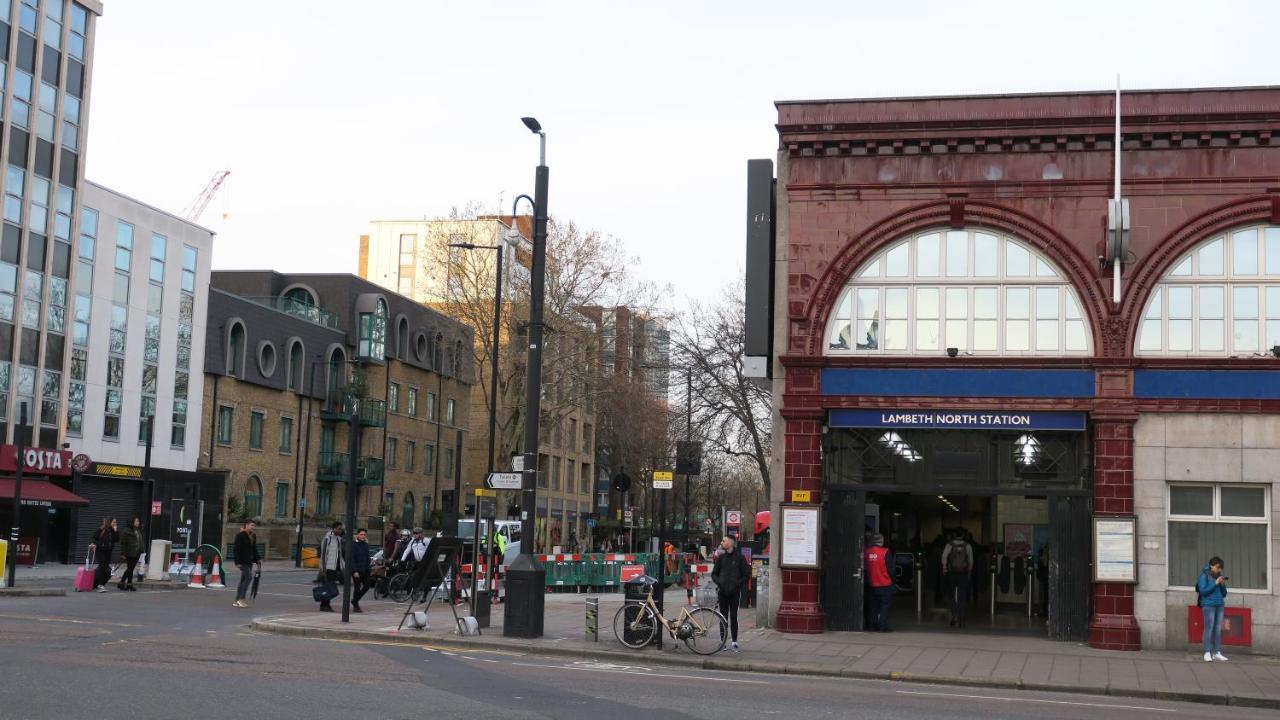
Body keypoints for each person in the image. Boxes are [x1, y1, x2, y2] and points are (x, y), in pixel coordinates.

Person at [711, 535, 749, 652]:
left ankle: (734, 641)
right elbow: (714, 574)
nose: (722, 543)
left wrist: (737, 585)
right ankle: (723, 641)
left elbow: (745, 575)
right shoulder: (721, 558)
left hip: (734, 593)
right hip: (722, 592)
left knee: (733, 617)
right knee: (723, 617)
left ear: (731, 543)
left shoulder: (740, 558)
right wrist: (720, 583)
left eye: (724, 541)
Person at [1197, 556, 1229, 662]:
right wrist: (1215, 583)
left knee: (1217, 629)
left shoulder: (1218, 576)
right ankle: (1207, 652)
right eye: (1217, 567)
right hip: (1208, 604)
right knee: (1209, 627)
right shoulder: (1204, 575)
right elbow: (1203, 591)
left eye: (1221, 568)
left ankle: (1216, 652)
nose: (1219, 569)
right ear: (1211, 566)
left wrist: (1222, 585)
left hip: (1219, 604)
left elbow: (1224, 594)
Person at [941, 530, 973, 628]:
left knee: (951, 596)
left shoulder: (949, 545)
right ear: (963, 536)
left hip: (952, 573)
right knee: (962, 597)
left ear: (954, 535)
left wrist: (945, 568)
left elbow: (944, 557)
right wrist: (969, 571)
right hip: (963, 573)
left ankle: (954, 615)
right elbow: (971, 560)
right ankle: (962, 619)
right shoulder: (967, 546)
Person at [864, 533, 894, 632]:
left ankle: (871, 626)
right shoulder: (885, 552)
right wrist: (894, 580)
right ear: (881, 541)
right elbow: (891, 569)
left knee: (872, 606)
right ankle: (882, 626)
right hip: (884, 583)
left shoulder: (867, 552)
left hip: (871, 584)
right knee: (884, 605)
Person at [232, 519, 260, 608]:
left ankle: (236, 601)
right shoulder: (240, 535)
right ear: (246, 525)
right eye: (251, 525)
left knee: (242, 580)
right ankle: (241, 599)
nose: (253, 527)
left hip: (249, 561)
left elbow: (254, 548)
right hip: (242, 561)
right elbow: (236, 549)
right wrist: (237, 562)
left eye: (254, 526)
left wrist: (257, 560)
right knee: (248, 577)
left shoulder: (253, 536)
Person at [318, 521, 345, 612]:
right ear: (334, 529)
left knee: (331, 587)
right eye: (339, 529)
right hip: (328, 568)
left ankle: (326, 604)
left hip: (334, 567)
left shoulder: (338, 539)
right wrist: (323, 568)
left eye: (341, 529)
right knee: (327, 587)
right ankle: (324, 605)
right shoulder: (327, 538)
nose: (341, 530)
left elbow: (340, 554)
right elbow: (323, 554)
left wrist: (342, 566)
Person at [88, 517, 118, 593]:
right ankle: (100, 585)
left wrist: (116, 531)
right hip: (100, 551)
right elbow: (94, 537)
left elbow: (117, 539)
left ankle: (95, 583)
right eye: (113, 522)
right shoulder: (102, 529)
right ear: (109, 522)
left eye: (115, 522)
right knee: (104, 567)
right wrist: (95, 544)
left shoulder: (113, 531)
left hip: (108, 552)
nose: (115, 523)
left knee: (105, 569)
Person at [117, 516, 143, 591]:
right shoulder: (126, 531)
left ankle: (123, 583)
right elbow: (123, 543)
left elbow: (139, 541)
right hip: (130, 553)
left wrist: (142, 550)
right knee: (130, 569)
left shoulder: (137, 530)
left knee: (130, 569)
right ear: (132, 522)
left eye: (138, 521)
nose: (138, 523)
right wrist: (123, 554)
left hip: (137, 552)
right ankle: (127, 584)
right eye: (136, 521)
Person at [351, 528, 371, 613]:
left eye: (364, 535)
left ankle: (355, 600)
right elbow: (352, 559)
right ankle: (356, 606)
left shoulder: (366, 545)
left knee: (367, 586)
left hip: (365, 569)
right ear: (357, 535)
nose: (363, 536)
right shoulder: (354, 544)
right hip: (357, 570)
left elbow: (367, 557)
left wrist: (370, 562)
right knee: (357, 588)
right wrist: (354, 571)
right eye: (361, 534)